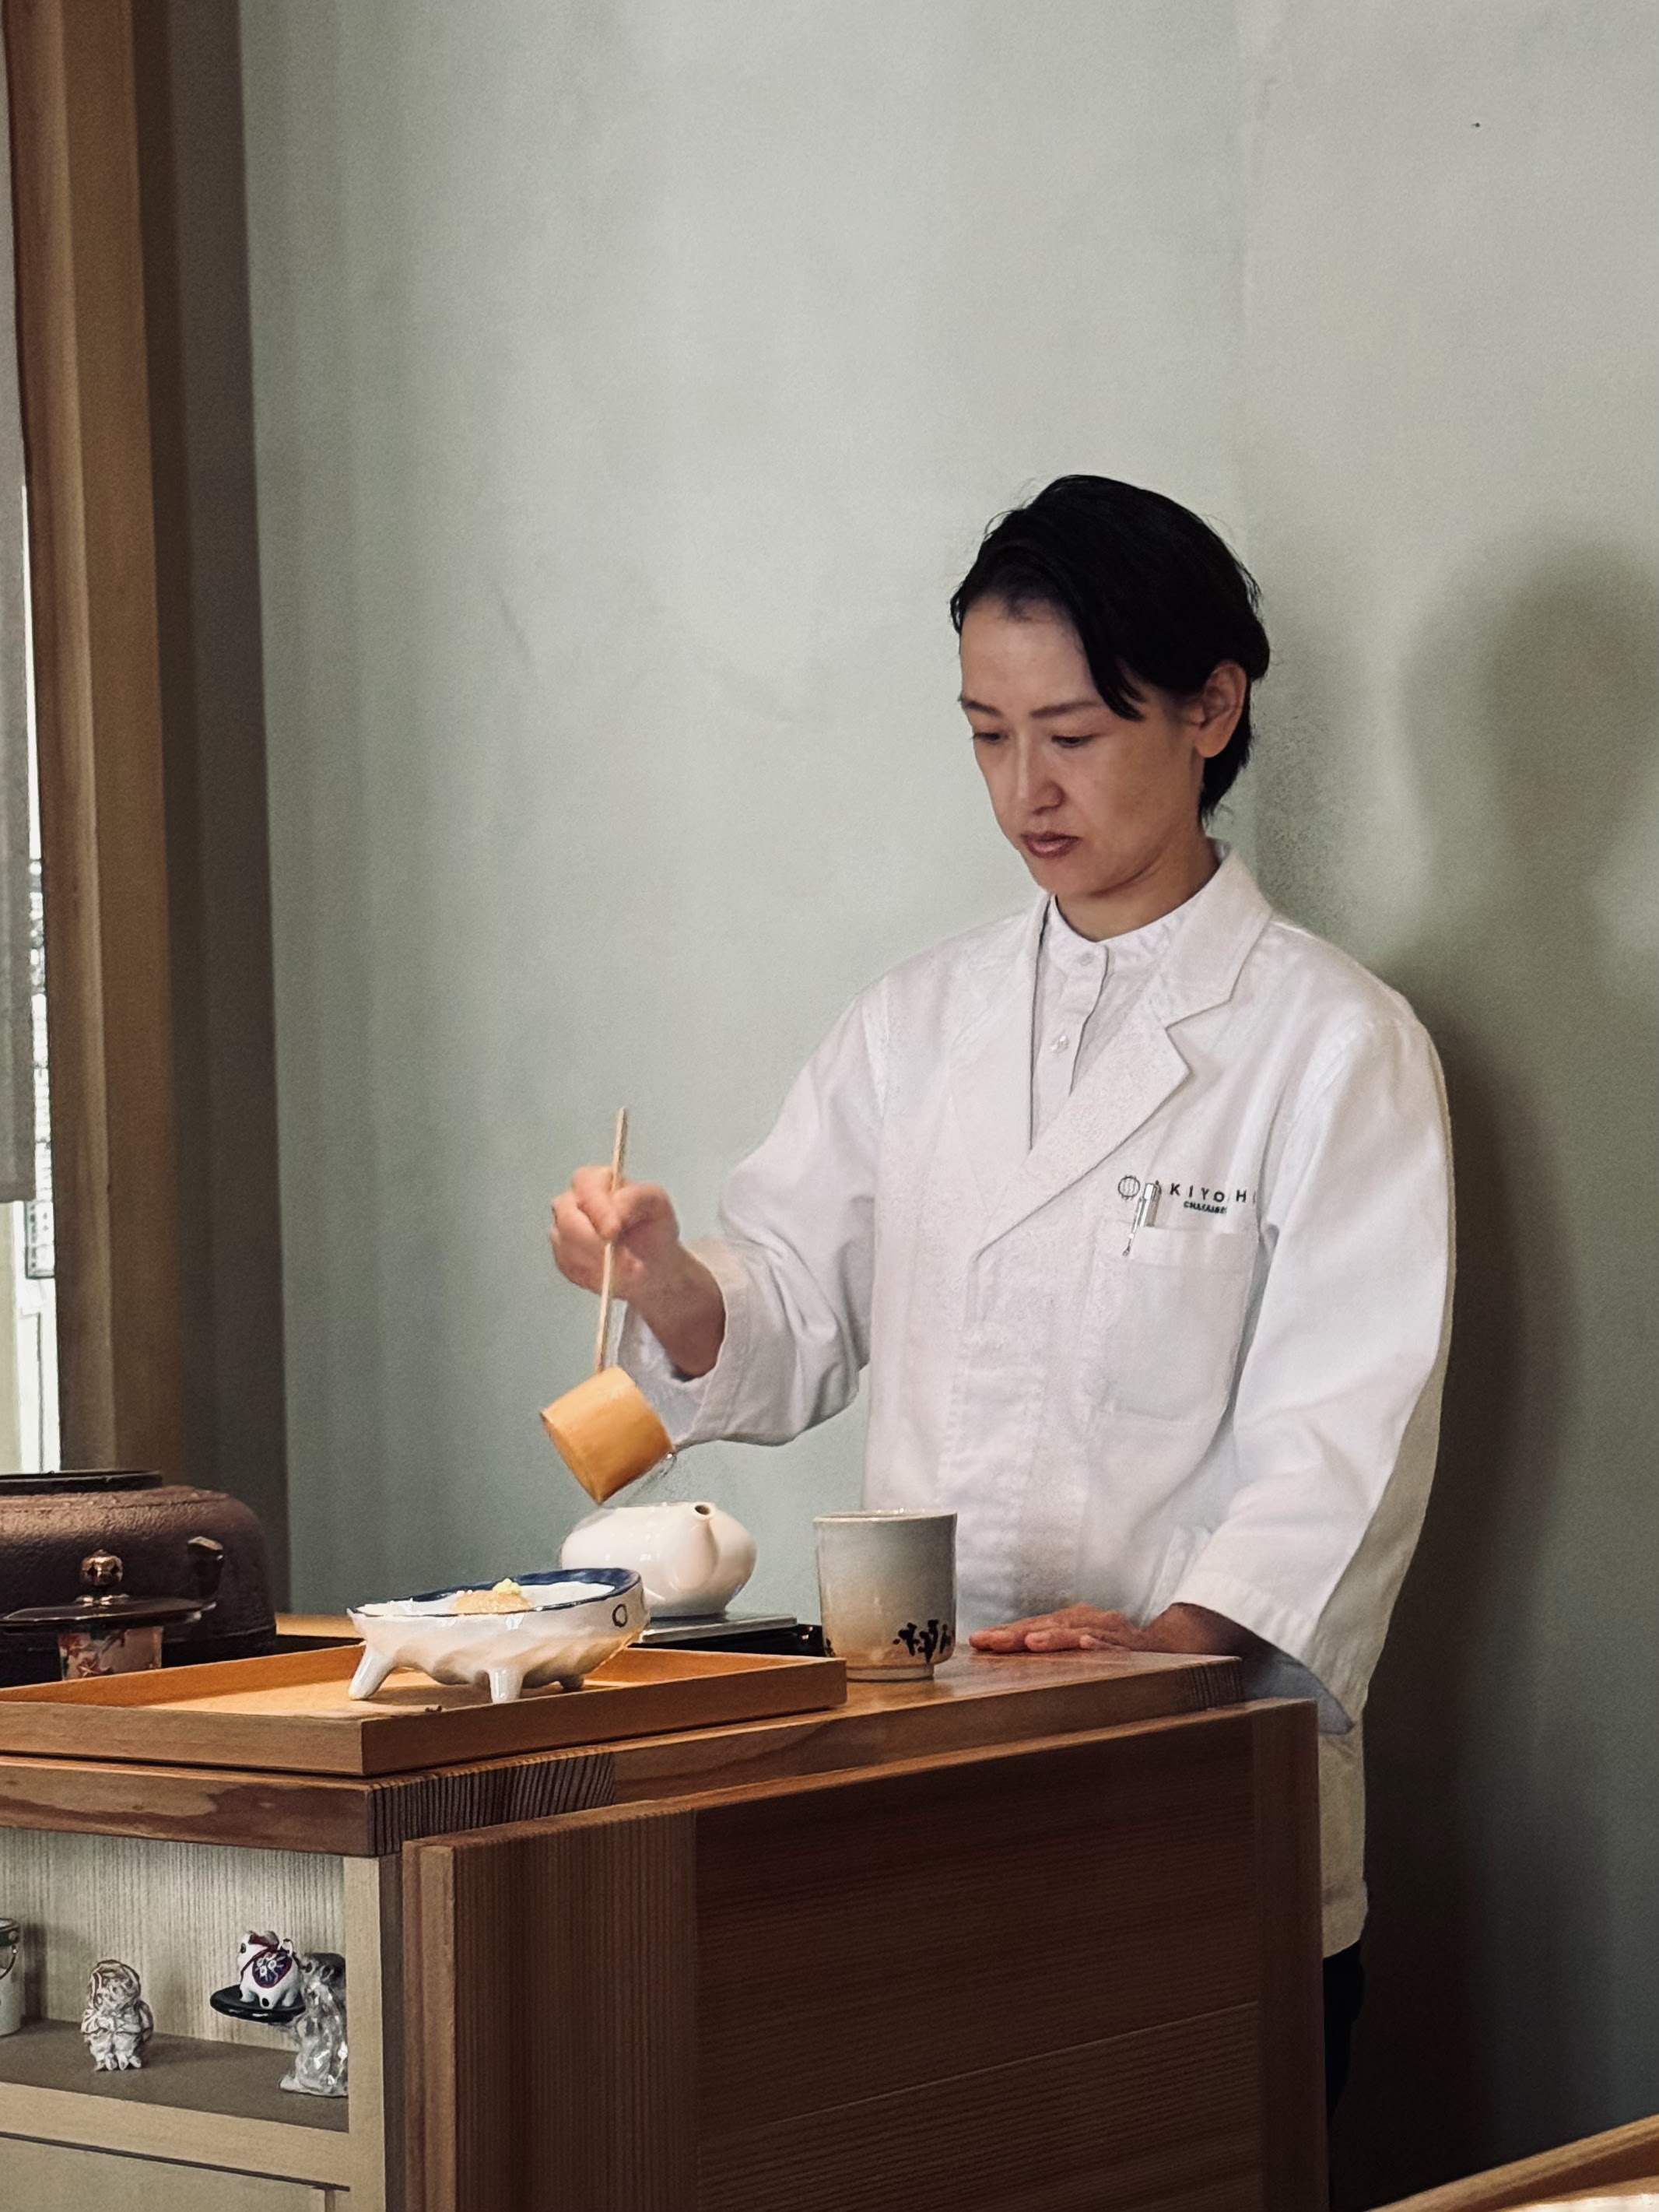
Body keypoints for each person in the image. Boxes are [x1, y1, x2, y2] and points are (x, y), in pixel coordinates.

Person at [551, 475, 1454, 2115]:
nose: (1024, 788)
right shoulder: (914, 1026)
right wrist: (668, 1279)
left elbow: (1344, 1450)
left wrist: (1159, 1655)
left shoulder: (1334, 1046)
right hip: (923, 1777)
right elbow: (786, 1323)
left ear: (1210, 708)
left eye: (1072, 734)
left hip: (1195, 1802)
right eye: (985, 734)